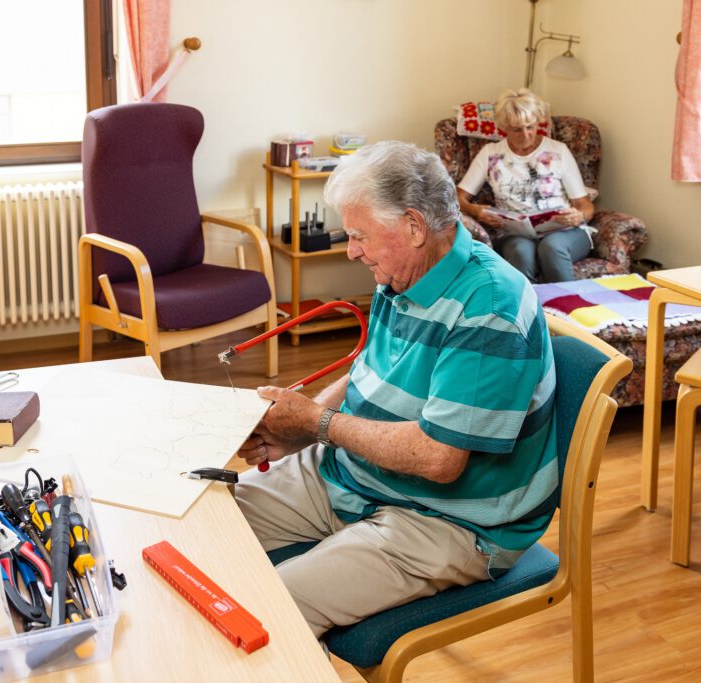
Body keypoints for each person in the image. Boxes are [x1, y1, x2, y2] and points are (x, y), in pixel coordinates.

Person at [234, 140, 559, 638]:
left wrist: (317, 423)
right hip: (355, 477)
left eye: (359, 234)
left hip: (447, 521)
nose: (351, 250)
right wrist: (304, 426)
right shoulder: (403, 273)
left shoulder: (488, 306)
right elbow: (372, 371)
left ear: (413, 225)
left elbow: (439, 459)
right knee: (205, 523)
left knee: (267, 610)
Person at [457, 88, 595, 283]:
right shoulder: (491, 153)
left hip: (564, 232)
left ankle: (567, 308)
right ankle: (527, 310)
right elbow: (458, 196)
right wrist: (475, 210)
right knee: (521, 252)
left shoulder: (558, 151)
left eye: (530, 126)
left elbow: (586, 205)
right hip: (515, 233)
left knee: (552, 248)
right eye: (517, 129)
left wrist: (578, 216)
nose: (526, 134)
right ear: (504, 128)